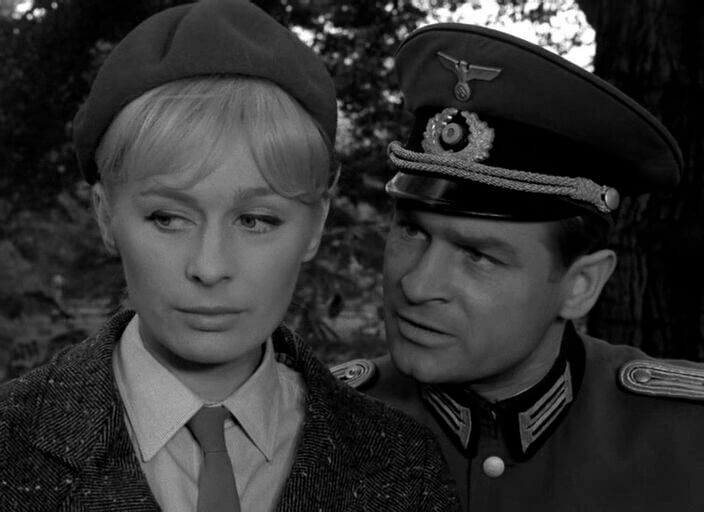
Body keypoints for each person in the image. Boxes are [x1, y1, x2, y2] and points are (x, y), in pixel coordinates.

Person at [0, 3, 461, 511]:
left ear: (316, 225)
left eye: (256, 220)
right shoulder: (10, 446)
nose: (210, 267)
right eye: (167, 218)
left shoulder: (403, 464)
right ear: (105, 214)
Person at [333, 23, 704, 511]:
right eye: (412, 231)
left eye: (478, 256)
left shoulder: (687, 440)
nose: (417, 285)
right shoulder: (311, 428)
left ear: (581, 285)